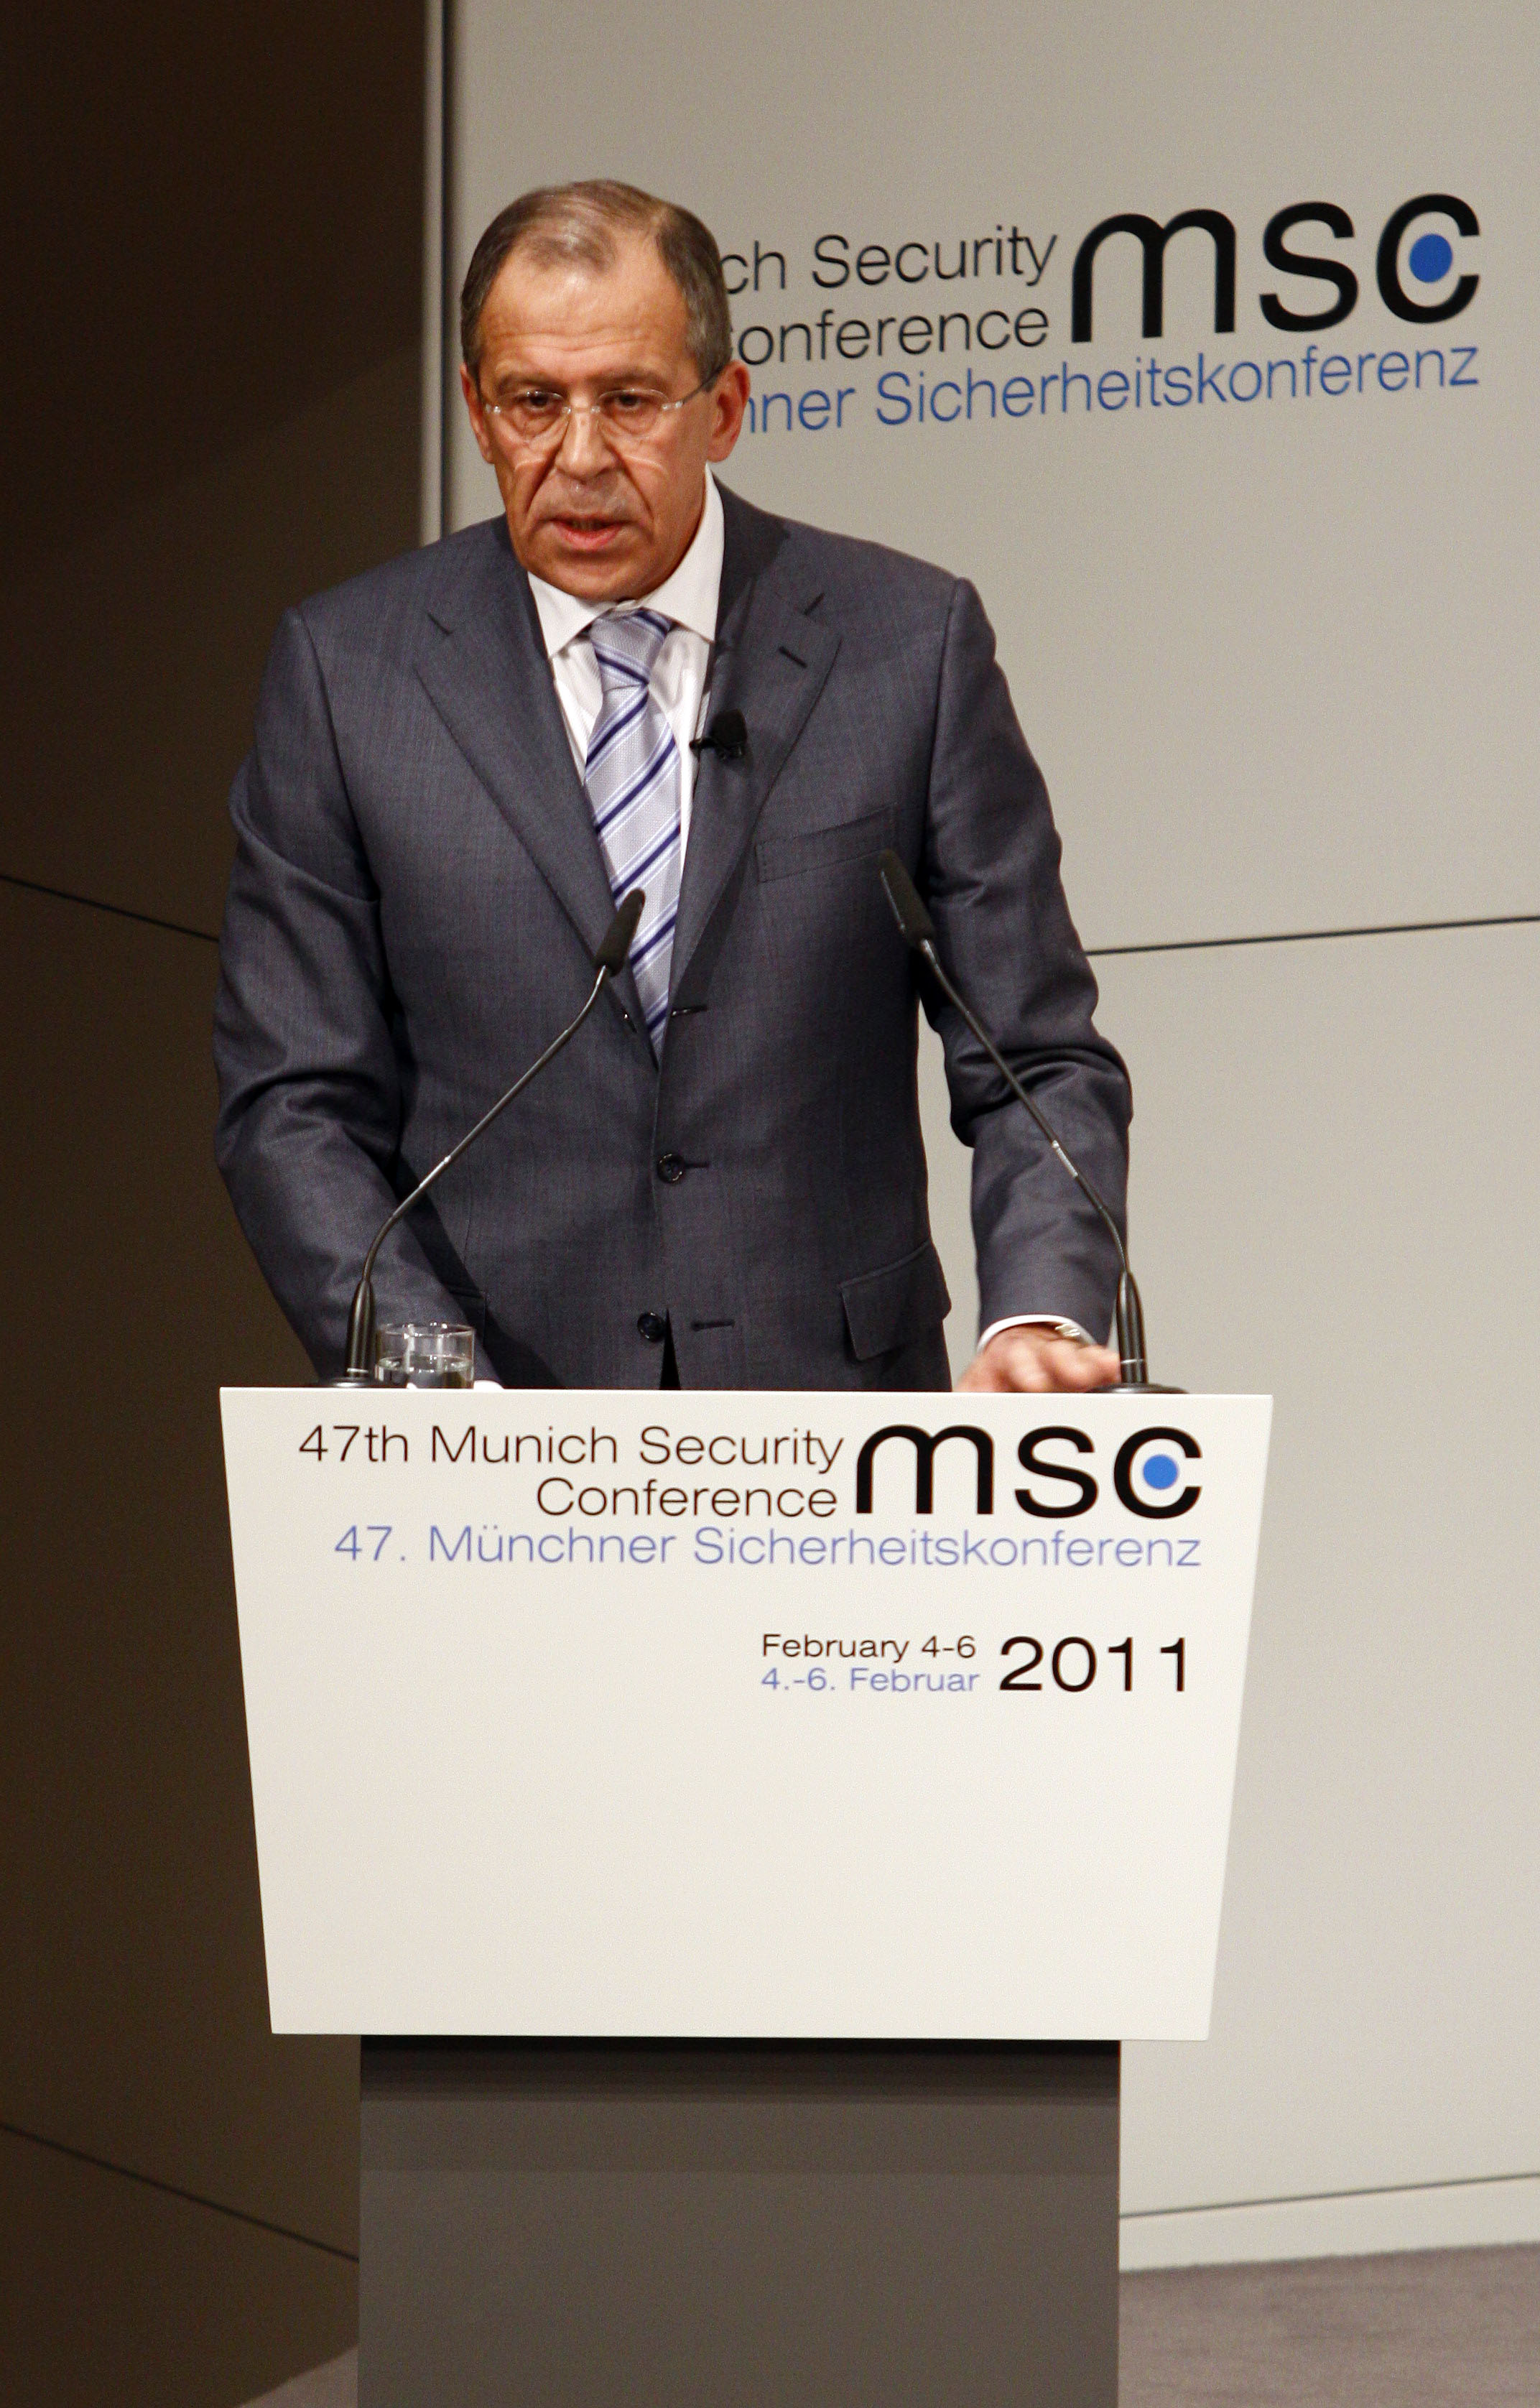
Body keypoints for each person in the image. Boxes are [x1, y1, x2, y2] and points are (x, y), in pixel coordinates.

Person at [214, 180, 1131, 1394]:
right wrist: (425, 1376)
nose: (579, 458)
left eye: (630, 401)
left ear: (725, 408)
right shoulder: (349, 675)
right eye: (534, 402)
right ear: (478, 415)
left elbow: (1034, 1057)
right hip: (488, 1434)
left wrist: (1039, 1312)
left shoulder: (907, 647)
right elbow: (293, 1103)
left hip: (836, 1417)